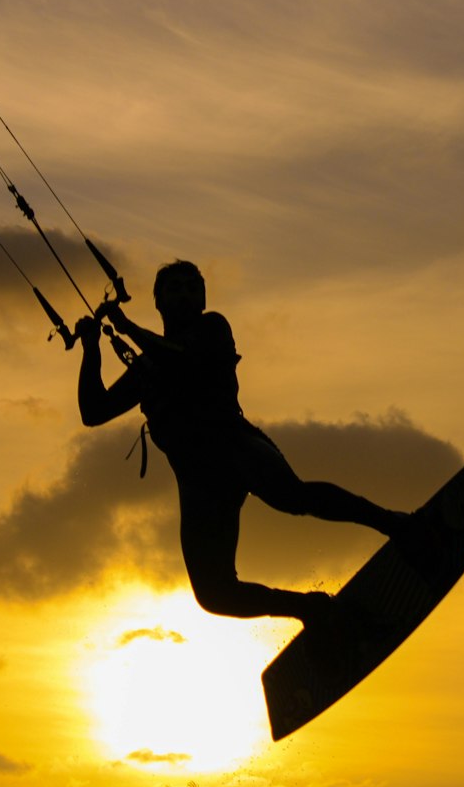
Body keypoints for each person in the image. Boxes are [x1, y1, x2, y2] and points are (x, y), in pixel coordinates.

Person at [77, 260, 411, 628]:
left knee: (292, 497)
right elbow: (94, 411)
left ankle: (395, 524)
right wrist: (91, 348)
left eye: (192, 288)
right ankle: (312, 609)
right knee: (214, 594)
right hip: (197, 482)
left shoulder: (213, 328)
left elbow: (184, 361)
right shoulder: (147, 367)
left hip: (234, 448)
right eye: (175, 288)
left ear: (203, 299)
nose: (185, 294)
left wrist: (128, 328)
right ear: (158, 301)